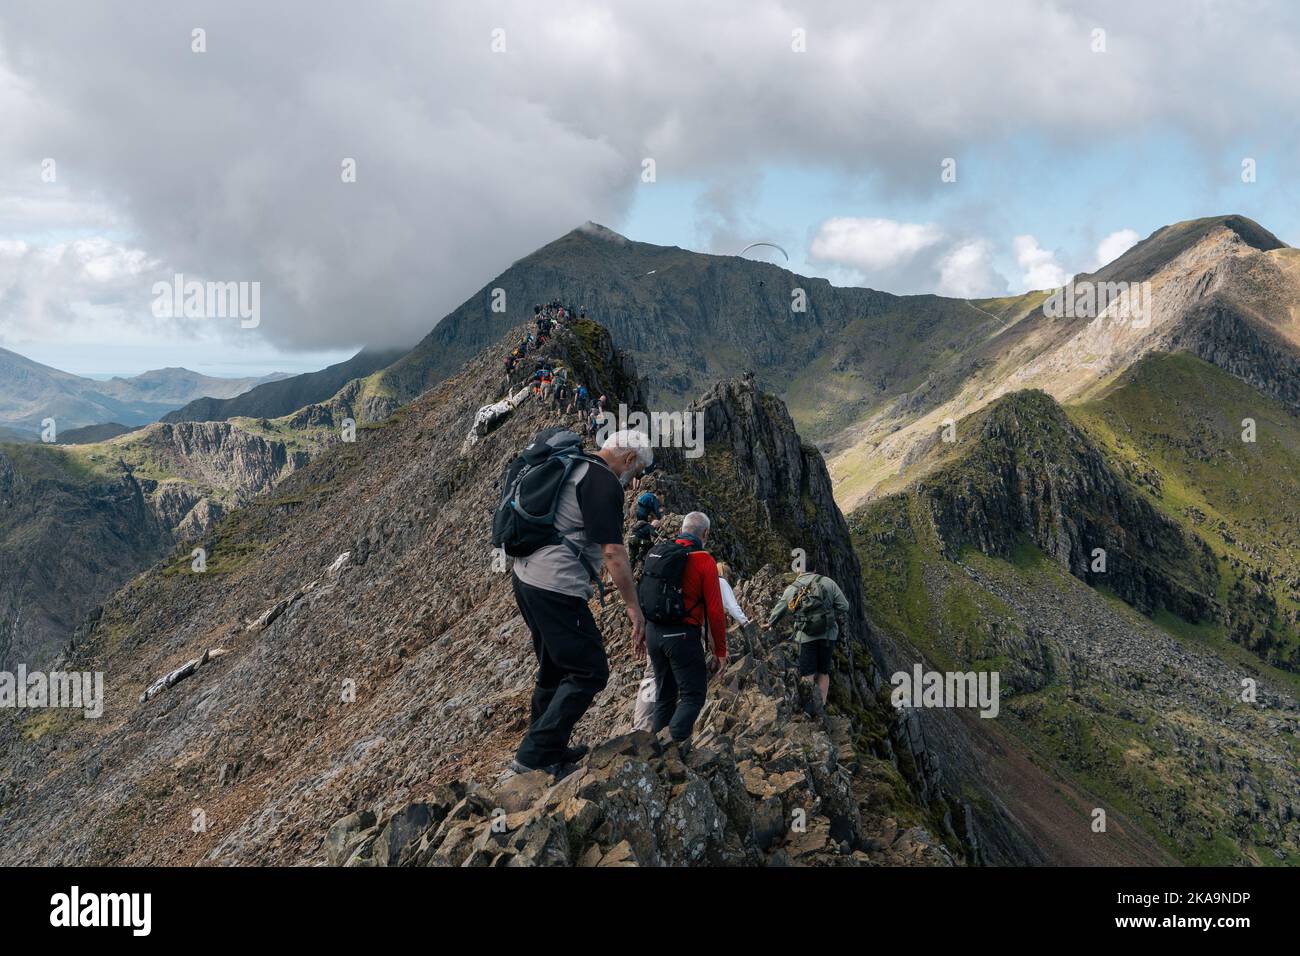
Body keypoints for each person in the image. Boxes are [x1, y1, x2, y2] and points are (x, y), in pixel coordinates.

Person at [509, 429, 654, 777]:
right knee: (590, 669)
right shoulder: (603, 482)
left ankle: (548, 748)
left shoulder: (577, 464)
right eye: (637, 473)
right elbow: (613, 553)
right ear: (629, 460)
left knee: (555, 668)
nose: (634, 482)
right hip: (554, 586)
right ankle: (534, 756)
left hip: (526, 576)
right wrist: (633, 607)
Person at [641, 512, 727, 746]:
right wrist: (720, 650)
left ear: (682, 528)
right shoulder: (703, 560)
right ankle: (670, 747)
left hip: (654, 633)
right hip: (682, 636)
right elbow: (716, 611)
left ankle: (654, 752)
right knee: (693, 695)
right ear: (705, 533)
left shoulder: (659, 551)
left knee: (665, 696)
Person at [762, 571, 850, 708]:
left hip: (806, 636)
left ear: (799, 571)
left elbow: (781, 607)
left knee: (807, 673)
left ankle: (809, 706)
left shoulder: (792, 588)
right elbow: (844, 606)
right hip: (828, 635)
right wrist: (827, 617)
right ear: (814, 569)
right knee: (823, 672)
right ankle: (821, 706)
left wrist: (770, 623)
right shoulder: (828, 582)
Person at [715, 562, 750, 628]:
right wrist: (745, 622)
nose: (729, 578)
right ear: (724, 573)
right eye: (728, 575)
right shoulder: (722, 582)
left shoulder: (712, 583)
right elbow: (732, 606)